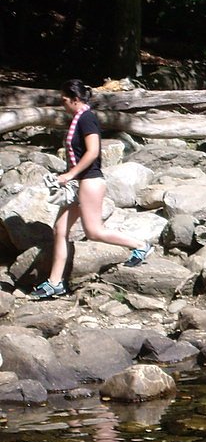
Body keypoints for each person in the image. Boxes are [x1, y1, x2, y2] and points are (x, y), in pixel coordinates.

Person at [30, 79, 153, 299]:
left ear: (75, 100)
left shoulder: (87, 119)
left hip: (90, 182)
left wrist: (69, 174)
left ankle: (141, 245)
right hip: (80, 183)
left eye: (64, 100)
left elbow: (93, 151)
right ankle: (55, 283)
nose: (62, 104)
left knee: (94, 232)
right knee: (60, 229)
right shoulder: (79, 118)